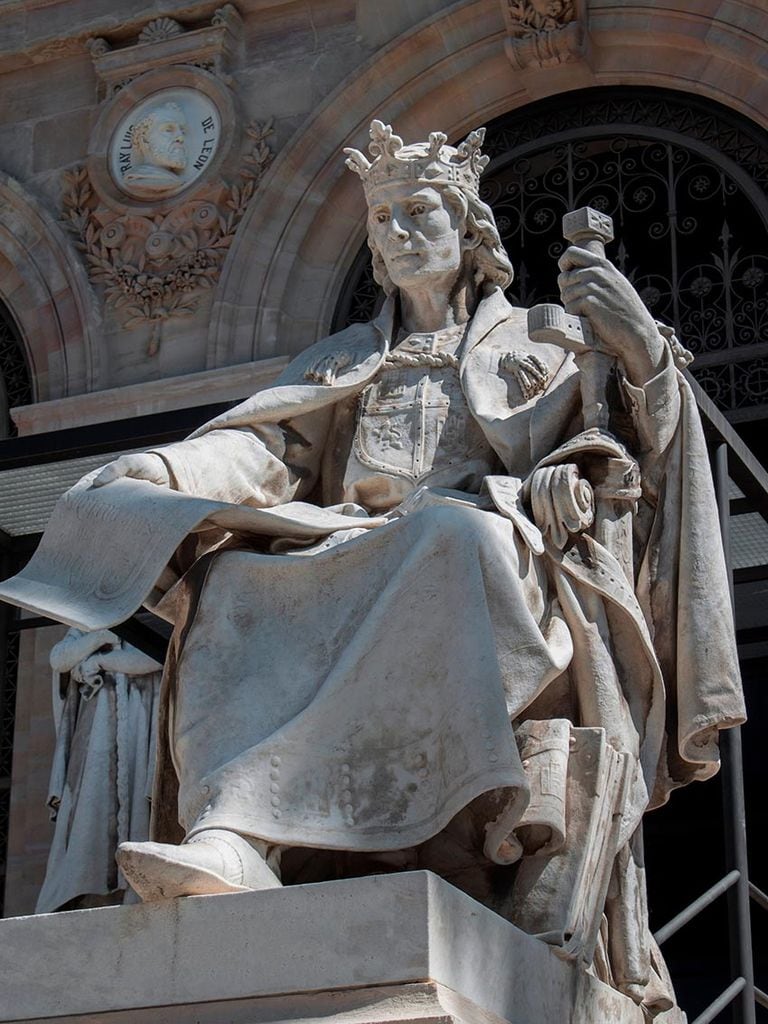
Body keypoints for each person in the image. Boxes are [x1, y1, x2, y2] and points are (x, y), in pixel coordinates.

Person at [89, 121, 743, 1013]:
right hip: (346, 543)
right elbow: (263, 449)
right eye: (385, 218)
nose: (398, 232)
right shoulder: (346, 361)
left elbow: (638, 454)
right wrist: (160, 472)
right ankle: (237, 838)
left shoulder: (549, 338)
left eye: (419, 212)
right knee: (233, 583)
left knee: (447, 538)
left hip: (489, 545)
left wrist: (635, 360)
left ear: (470, 229)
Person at [36, 629, 162, 912]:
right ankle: (85, 886)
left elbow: (160, 655)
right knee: (90, 812)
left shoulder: (151, 612)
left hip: (140, 720)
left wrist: (100, 662)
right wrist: (99, 636)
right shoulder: (91, 619)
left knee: (137, 806)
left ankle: (135, 883)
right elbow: (59, 658)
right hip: (95, 737)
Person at [123, 101, 188, 197]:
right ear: (144, 138)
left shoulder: (174, 180)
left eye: (182, 131)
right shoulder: (137, 179)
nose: (181, 138)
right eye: (168, 130)